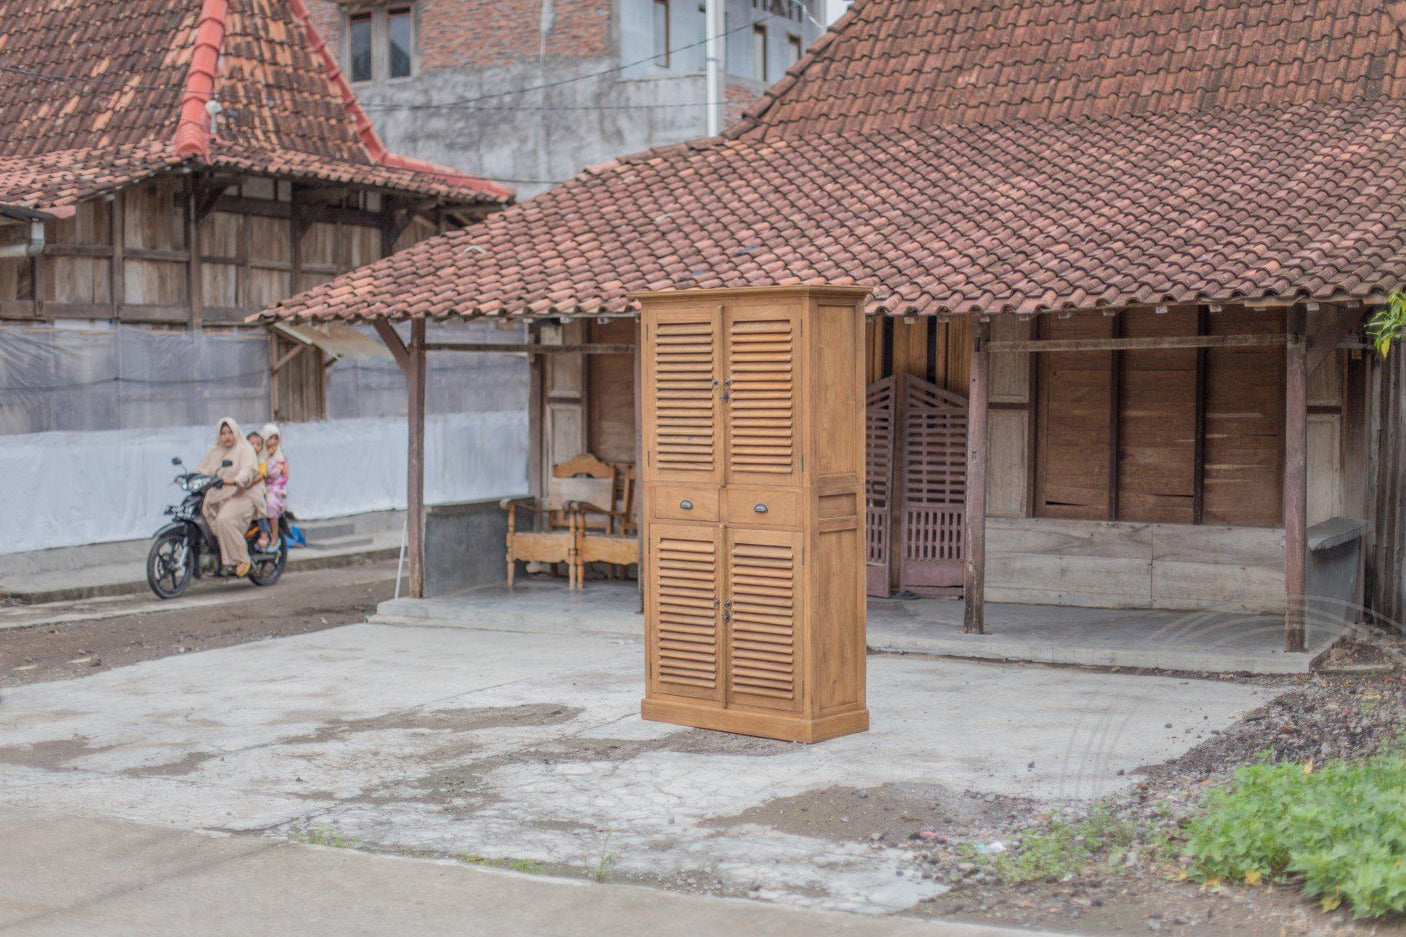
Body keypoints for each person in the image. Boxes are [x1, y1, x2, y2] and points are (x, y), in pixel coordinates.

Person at [196, 417, 266, 577]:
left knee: (224, 519)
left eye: (230, 432)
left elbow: (247, 470)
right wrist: (188, 478)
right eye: (223, 433)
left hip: (244, 494)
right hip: (222, 495)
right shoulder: (216, 451)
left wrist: (236, 479)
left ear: (236, 432)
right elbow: (202, 469)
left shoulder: (245, 449)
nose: (226, 437)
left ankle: (242, 559)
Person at [258, 423, 289, 549]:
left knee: (270, 504)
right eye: (271, 438)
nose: (274, 441)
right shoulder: (261, 455)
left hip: (276, 488)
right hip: (262, 486)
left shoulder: (280, 457)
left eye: (276, 438)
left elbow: (284, 475)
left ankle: (274, 536)